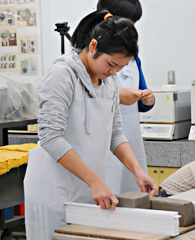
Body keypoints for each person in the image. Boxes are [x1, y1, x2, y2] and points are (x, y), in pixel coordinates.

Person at [23, 10, 158, 239]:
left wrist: (137, 172)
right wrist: (94, 180)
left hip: (87, 188)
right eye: (112, 64)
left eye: (120, 68)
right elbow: (50, 137)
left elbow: (115, 133)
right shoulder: (63, 74)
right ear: (94, 46)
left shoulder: (109, 81)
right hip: (54, 190)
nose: (114, 71)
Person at [97, 0, 155, 193]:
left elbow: (141, 95)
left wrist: (147, 100)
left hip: (130, 137)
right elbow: (85, 98)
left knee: (133, 192)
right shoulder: (93, 55)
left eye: (133, 25)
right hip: (104, 140)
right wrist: (116, 96)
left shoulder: (132, 58)